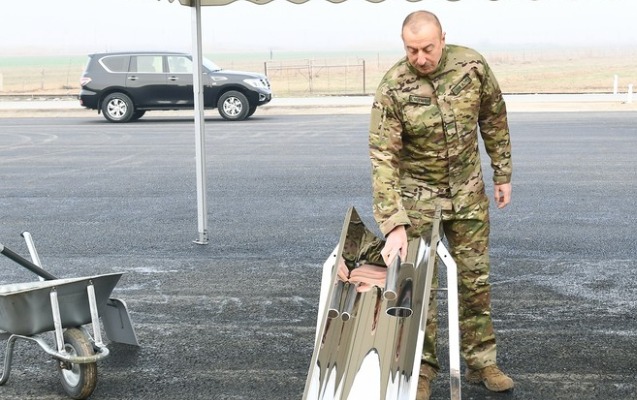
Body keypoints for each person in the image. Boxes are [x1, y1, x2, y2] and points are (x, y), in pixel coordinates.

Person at [368, 10, 514, 400]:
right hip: (418, 198)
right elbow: (383, 159)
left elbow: (494, 117)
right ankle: (421, 370)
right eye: (411, 50)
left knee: (475, 280)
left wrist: (503, 173)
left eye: (427, 48)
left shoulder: (472, 66)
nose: (420, 57)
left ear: (443, 39)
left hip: (468, 192)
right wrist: (393, 222)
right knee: (420, 288)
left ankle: (483, 361)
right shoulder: (393, 87)